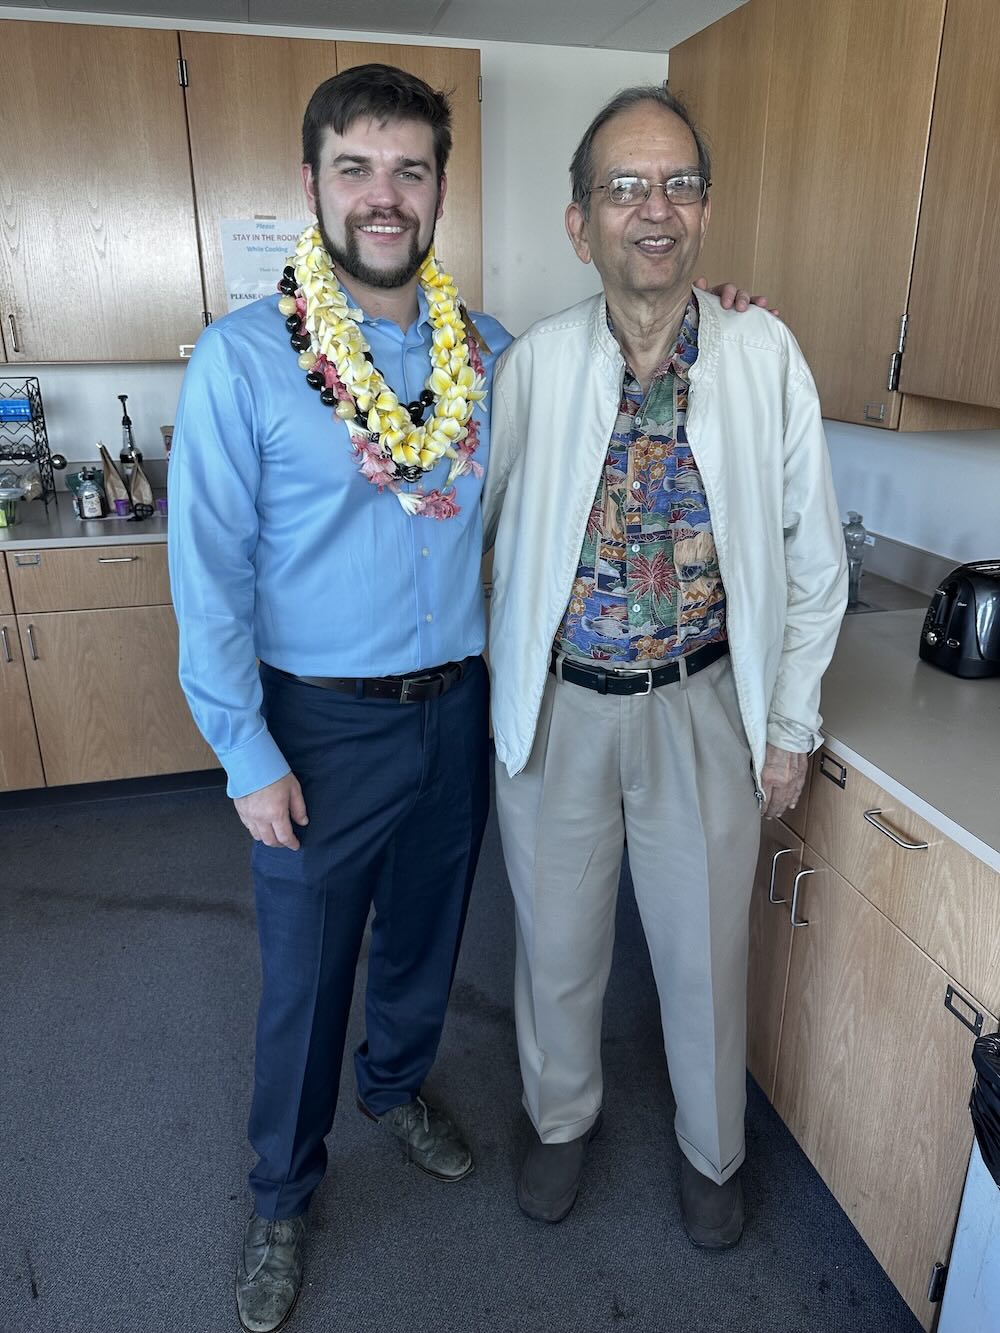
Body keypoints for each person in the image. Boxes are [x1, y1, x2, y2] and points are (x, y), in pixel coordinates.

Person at [168, 64, 513, 1333]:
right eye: (357, 168)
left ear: (437, 188)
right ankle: (281, 1192)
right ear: (312, 182)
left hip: (455, 709)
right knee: (305, 975)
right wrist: (245, 750)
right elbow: (204, 574)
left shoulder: (492, 355)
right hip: (315, 722)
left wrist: (700, 319)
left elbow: (589, 434)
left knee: (429, 932)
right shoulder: (243, 361)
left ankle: (398, 1084)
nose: (385, 195)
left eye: (410, 169)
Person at [482, 85, 848, 1250]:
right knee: (556, 950)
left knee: (703, 960)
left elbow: (813, 554)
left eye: (678, 184)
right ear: (578, 221)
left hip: (702, 708)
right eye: (624, 187)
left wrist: (789, 726)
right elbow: (485, 537)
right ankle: (557, 1122)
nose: (655, 210)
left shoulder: (762, 352)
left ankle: (713, 1151)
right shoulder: (530, 364)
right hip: (560, 712)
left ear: (703, 210)